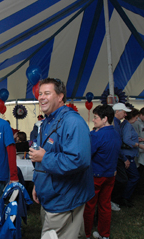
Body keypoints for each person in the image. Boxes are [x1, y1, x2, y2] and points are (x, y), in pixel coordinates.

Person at [28, 77, 94, 239]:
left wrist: (44, 157)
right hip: (51, 195)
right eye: (40, 93)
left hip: (64, 199)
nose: (41, 97)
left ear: (60, 97)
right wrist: (38, 183)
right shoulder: (47, 122)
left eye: (47, 93)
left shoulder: (72, 122)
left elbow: (78, 160)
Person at [83, 105, 122, 239]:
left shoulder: (97, 135)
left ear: (105, 119)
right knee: (105, 205)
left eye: (95, 117)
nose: (93, 120)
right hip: (110, 175)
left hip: (96, 176)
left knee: (89, 206)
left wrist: (92, 134)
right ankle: (104, 234)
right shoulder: (116, 134)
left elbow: (87, 154)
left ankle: (86, 233)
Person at [120, 108, 144, 207]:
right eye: (135, 118)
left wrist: (136, 138)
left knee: (129, 176)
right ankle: (125, 197)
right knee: (135, 176)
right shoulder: (127, 125)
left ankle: (125, 196)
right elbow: (126, 140)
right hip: (128, 154)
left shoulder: (123, 124)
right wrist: (138, 144)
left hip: (126, 153)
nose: (136, 120)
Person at [110, 103, 131, 211]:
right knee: (121, 179)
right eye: (124, 112)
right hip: (115, 156)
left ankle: (112, 200)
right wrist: (124, 158)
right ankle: (112, 200)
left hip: (115, 155)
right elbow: (117, 143)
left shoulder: (117, 123)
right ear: (117, 111)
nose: (125, 114)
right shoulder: (114, 123)